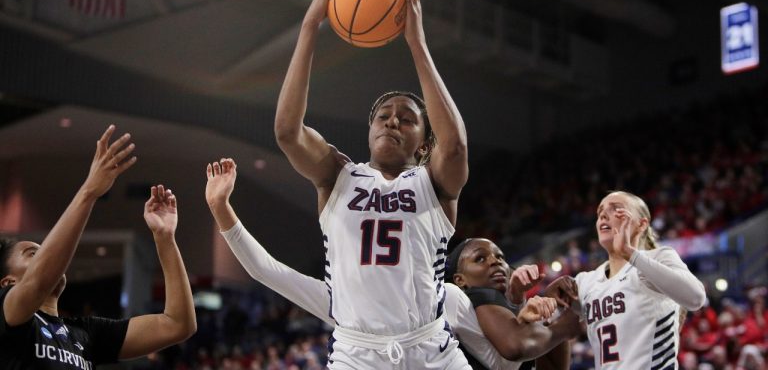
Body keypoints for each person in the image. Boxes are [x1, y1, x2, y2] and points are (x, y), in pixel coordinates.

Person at [274, 0, 470, 369]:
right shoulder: (338, 176)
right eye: (383, 115)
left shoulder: (432, 182)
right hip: (356, 353)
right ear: (369, 131)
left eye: (406, 118)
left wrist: (417, 43)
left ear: (423, 142)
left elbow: (453, 149)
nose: (392, 120)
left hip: (431, 349)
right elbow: (288, 132)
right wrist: (310, 24)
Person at [205, 158, 579, 370]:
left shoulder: (443, 295)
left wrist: (536, 313)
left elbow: (509, 357)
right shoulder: (352, 298)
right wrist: (222, 210)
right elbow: (267, 270)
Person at [0, 125, 197, 369]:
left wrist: (165, 239)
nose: (46, 257)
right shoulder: (6, 316)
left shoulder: (86, 333)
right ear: (8, 283)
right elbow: (38, 280)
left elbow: (178, 324)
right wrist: (89, 192)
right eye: (33, 254)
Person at [575, 190, 706, 370]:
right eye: (600, 212)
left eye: (616, 209)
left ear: (641, 224)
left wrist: (629, 252)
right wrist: (521, 297)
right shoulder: (585, 281)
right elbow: (547, 328)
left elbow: (696, 297)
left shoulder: (658, 257)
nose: (604, 214)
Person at [444, 238, 581, 370]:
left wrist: (554, 310)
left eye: (500, 257)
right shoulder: (453, 296)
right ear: (459, 279)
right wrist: (564, 327)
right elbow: (514, 348)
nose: (495, 261)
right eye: (480, 258)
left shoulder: (517, 310)